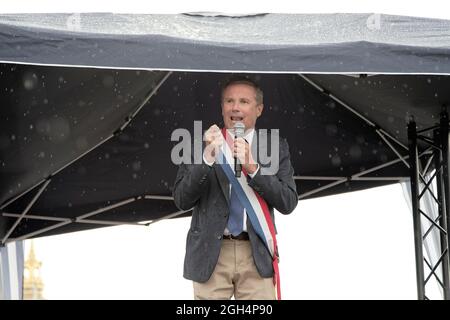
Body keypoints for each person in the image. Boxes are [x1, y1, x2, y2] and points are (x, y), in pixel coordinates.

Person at [173, 77, 298, 300]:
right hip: (210, 254)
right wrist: (207, 158)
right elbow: (182, 199)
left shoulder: (276, 147)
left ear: (259, 109)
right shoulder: (198, 144)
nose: (235, 107)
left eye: (243, 101)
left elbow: (288, 202)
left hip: (256, 253)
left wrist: (254, 168)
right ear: (222, 108)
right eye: (229, 101)